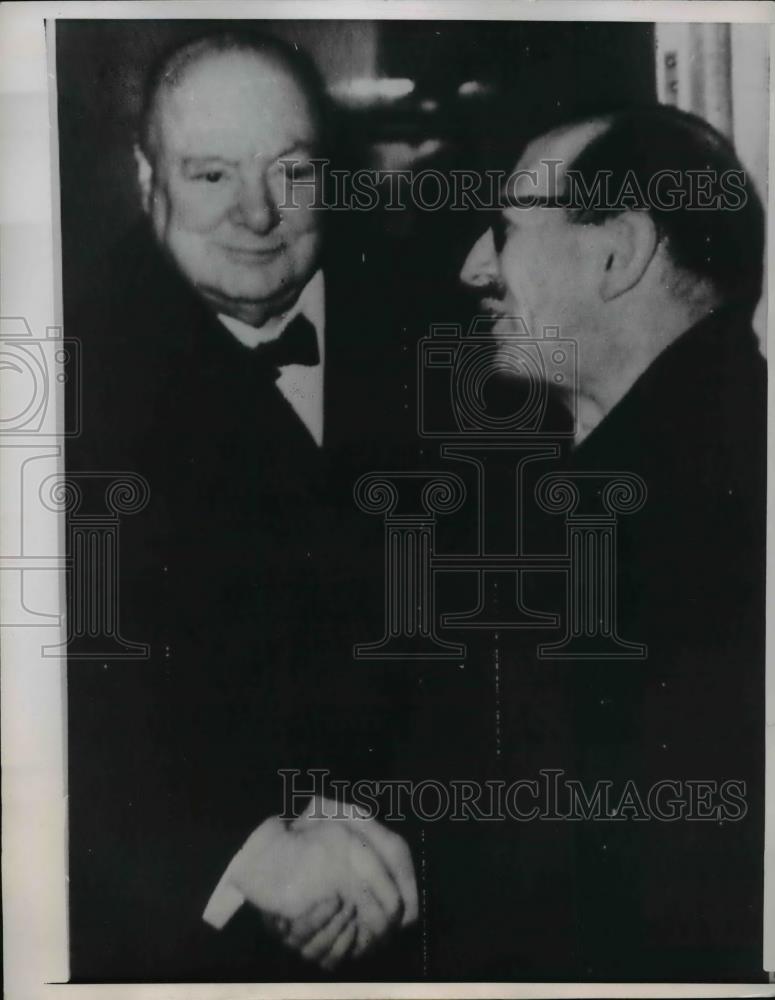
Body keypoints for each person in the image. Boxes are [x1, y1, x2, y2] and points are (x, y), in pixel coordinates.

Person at [66, 30, 420, 982]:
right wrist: (250, 853)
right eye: (213, 173)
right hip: (173, 945)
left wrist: (379, 858)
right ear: (150, 179)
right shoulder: (57, 364)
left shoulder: (443, 333)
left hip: (420, 911)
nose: (258, 212)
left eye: (291, 171)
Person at [452, 105, 766, 980]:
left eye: (507, 230)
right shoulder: (662, 464)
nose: (474, 266)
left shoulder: (700, 509)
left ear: (617, 252)